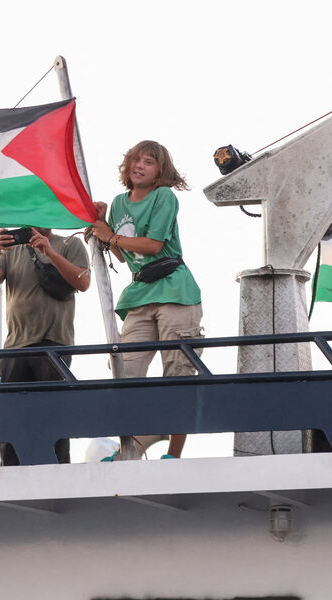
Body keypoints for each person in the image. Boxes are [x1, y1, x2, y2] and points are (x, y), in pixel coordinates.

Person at [91, 140, 203, 461]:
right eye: (135, 159)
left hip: (174, 290)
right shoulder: (118, 202)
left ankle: (173, 455)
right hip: (140, 294)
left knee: (177, 375)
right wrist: (104, 225)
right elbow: (125, 256)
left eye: (149, 161)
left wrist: (110, 235)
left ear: (160, 171)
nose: (139, 165)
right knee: (125, 373)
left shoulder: (164, 196)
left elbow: (153, 245)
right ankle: (130, 449)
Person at [0, 226, 90, 465]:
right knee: (11, 415)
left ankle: (57, 472)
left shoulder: (70, 244)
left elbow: (83, 282)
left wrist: (50, 252)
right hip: (15, 346)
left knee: (52, 413)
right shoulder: (12, 249)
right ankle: (11, 472)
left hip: (54, 344)